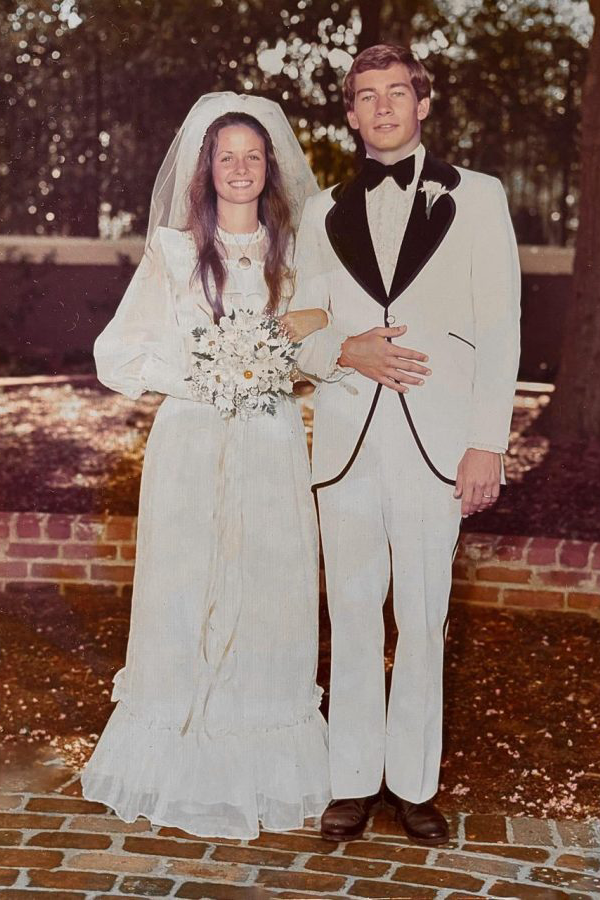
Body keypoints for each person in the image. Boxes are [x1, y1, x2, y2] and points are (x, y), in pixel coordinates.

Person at [81, 93, 331, 840]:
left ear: (272, 168)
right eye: (228, 156)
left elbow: (321, 349)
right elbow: (116, 354)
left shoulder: (297, 253)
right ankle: (175, 763)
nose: (242, 168)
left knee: (267, 590)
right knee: (187, 589)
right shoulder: (174, 251)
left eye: (254, 156)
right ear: (207, 168)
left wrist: (274, 364)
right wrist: (212, 373)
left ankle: (262, 766)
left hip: (271, 445)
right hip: (191, 445)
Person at [290, 44, 521, 844]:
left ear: (423, 105)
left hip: (438, 442)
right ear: (350, 114)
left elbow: (500, 325)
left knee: (423, 618)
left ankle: (414, 783)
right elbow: (302, 328)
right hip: (348, 440)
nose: (383, 107)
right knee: (351, 613)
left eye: (398, 93)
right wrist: (347, 351)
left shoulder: (480, 198)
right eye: (367, 96)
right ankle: (352, 781)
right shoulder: (319, 214)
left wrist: (487, 442)